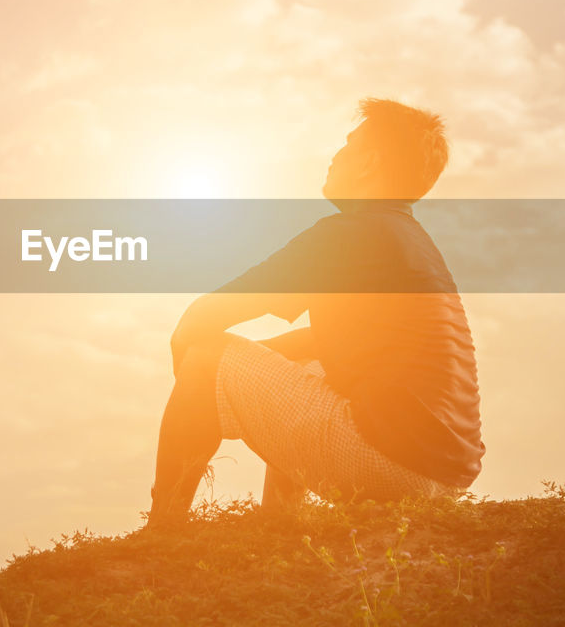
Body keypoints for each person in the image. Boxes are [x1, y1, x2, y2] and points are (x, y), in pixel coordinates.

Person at [146, 98, 484, 528]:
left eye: (348, 145)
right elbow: (321, 345)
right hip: (445, 475)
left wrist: (196, 377)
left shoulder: (349, 234)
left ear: (369, 164)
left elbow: (204, 316)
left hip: (387, 462)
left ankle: (161, 531)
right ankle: (281, 523)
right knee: (299, 365)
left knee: (204, 356)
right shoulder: (413, 243)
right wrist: (255, 367)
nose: (335, 155)